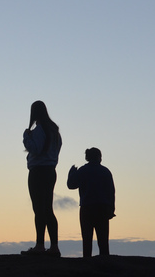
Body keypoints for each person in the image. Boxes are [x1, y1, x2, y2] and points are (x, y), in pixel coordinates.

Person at [22, 100, 62, 257]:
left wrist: (26, 137)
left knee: (39, 209)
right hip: (51, 171)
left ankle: (40, 245)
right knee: (48, 209)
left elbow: (36, 149)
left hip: (38, 171)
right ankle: (54, 246)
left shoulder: (39, 130)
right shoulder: (54, 131)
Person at [67, 148, 116, 257]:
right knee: (103, 241)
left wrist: (71, 173)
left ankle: (86, 263)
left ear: (87, 157)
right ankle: (105, 264)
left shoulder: (83, 170)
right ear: (99, 157)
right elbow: (111, 192)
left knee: (87, 240)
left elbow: (71, 185)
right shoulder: (105, 171)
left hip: (87, 208)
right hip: (103, 208)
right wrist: (111, 209)